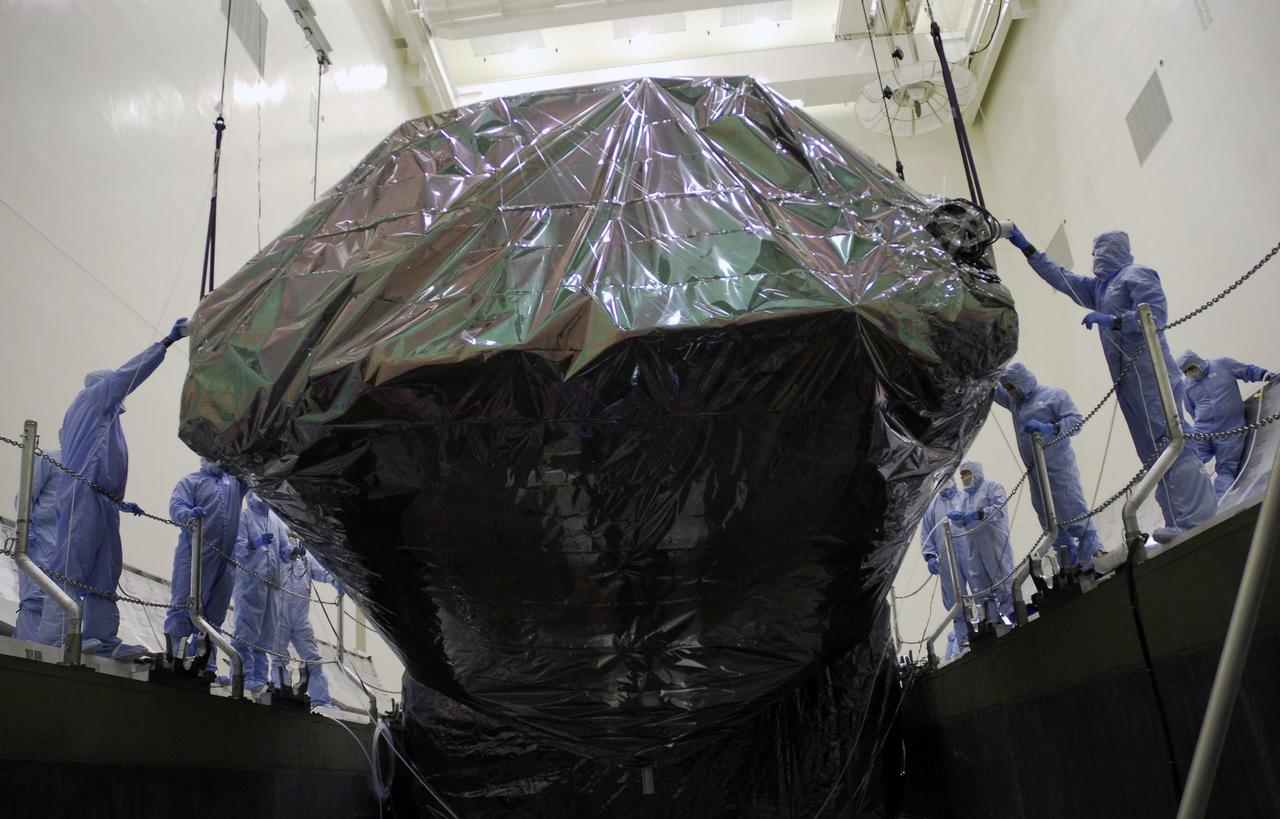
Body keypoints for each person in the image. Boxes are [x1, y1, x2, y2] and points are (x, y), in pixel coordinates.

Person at [1007, 227, 1215, 545]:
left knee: (1172, 440)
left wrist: (1116, 321)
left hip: (1151, 374)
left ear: (1113, 249)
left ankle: (1197, 516)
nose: (1095, 258)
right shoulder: (1100, 288)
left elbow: (1156, 316)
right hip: (1130, 383)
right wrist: (1027, 249)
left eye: (1098, 251)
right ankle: (1176, 519)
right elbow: (1062, 279)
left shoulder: (1137, 274)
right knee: (1153, 455)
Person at [35, 320, 190, 656]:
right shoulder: (93, 400)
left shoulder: (107, 421)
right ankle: (55, 638)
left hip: (103, 501)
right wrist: (166, 343)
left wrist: (119, 502)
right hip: (83, 496)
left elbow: (102, 461)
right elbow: (128, 374)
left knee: (105, 572)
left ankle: (102, 639)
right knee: (71, 566)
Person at [994, 363, 1105, 571]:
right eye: (1007, 388)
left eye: (1011, 387)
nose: (1009, 392)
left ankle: (1093, 557)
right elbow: (992, 390)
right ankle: (1068, 565)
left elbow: (1076, 421)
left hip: (1058, 466)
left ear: (1021, 381)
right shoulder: (1015, 403)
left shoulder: (1054, 396)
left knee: (1072, 508)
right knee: (1047, 518)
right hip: (1035, 471)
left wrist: (1051, 428)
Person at [164, 458, 247, 669]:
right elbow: (176, 506)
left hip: (225, 562)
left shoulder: (233, 485)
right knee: (184, 606)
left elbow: (251, 476)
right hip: (194, 555)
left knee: (214, 615)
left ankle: (205, 663)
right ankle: (175, 657)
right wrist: (188, 514)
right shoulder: (190, 482)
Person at [1176, 350, 1276, 501]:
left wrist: (1265, 375)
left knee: (1226, 468)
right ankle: (1190, 503)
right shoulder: (1187, 386)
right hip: (1203, 432)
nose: (1189, 373)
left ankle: (1218, 503)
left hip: (1230, 430)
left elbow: (1246, 370)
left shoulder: (1222, 364)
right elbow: (1191, 410)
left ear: (1196, 362)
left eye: (1190, 368)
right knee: (1191, 463)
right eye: (1185, 372)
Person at [273, 533, 341, 706]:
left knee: (313, 659)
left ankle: (321, 700)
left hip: (300, 617)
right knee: (278, 656)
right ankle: (279, 690)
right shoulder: (278, 548)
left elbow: (321, 571)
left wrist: (335, 581)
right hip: (280, 615)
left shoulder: (305, 557)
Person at [230, 492, 288, 693]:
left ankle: (260, 679)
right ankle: (242, 676)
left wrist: (291, 553)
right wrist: (255, 543)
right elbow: (237, 547)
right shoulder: (244, 517)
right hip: (250, 582)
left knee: (266, 635)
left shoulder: (276, 522)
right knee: (245, 631)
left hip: (272, 585)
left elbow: (283, 550)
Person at [948, 461, 1014, 624]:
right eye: (962, 475)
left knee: (1002, 580)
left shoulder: (992, 487)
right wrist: (957, 518)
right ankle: (992, 622)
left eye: (967, 473)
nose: (964, 478)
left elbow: (1000, 509)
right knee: (980, 585)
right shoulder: (964, 497)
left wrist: (979, 514)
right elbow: (960, 521)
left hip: (993, 543)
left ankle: (1012, 618)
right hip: (974, 547)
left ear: (976, 472)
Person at [12, 448, 61, 640]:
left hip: (64, 550)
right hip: (40, 544)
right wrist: (28, 533)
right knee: (35, 600)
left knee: (58, 605)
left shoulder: (84, 469)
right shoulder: (51, 459)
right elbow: (24, 500)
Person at [919, 476, 968, 659]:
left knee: (979, 591)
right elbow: (926, 534)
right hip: (946, 560)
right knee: (956, 602)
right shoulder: (932, 508)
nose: (944, 484)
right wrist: (930, 557)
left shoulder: (964, 498)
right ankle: (964, 642)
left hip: (970, 554)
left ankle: (991, 625)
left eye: (947, 479)